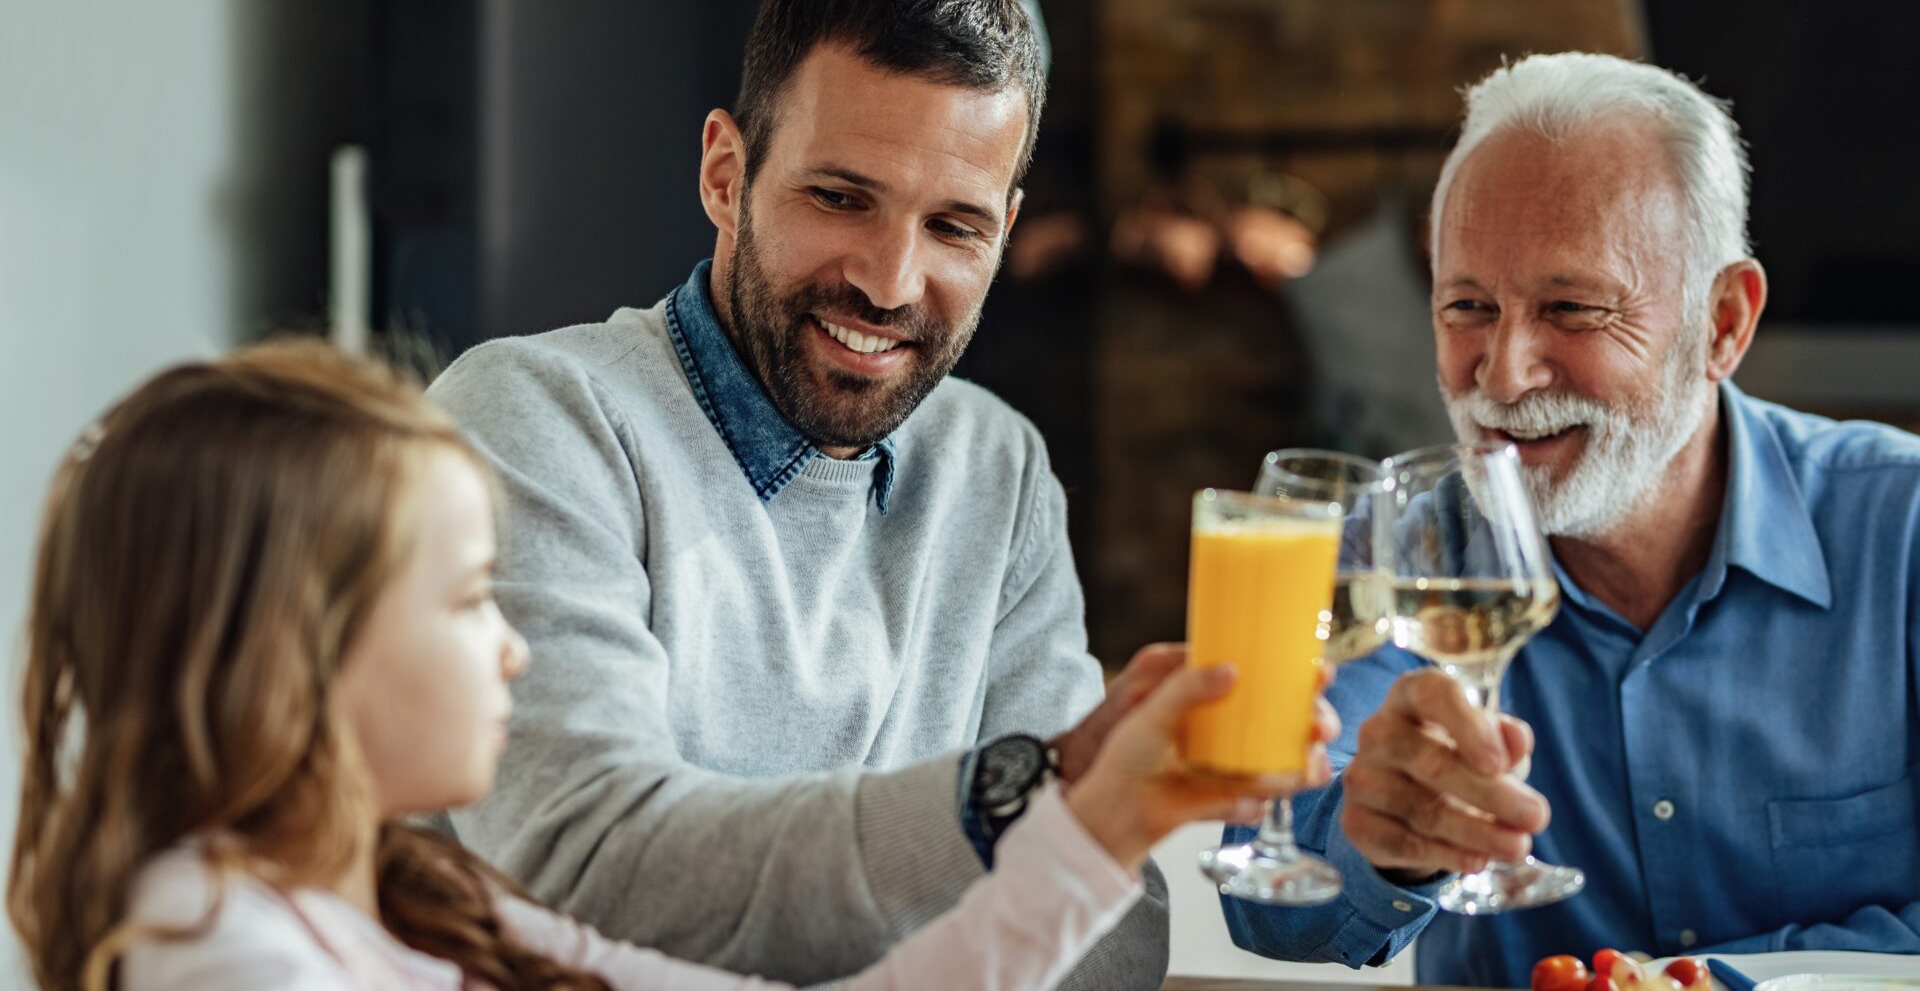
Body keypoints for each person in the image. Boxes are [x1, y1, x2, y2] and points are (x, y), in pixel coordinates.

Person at [6, 340, 1328, 991]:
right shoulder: (229, 956)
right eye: (469, 598)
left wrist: (1112, 825)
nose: (514, 639)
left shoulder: (424, 903)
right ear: (301, 644)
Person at [425, 0, 1174, 988]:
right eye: (840, 198)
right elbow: (583, 864)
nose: (891, 281)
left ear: (1004, 232)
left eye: (954, 227)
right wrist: (999, 812)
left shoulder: (995, 467)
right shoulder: (534, 422)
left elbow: (1115, 937)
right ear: (727, 174)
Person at [1224, 52, 1920, 986]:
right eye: (1468, 305)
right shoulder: (1396, 548)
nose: (1504, 375)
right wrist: (1388, 842)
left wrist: (1718, 982)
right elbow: (1265, 908)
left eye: (1573, 308)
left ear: (1723, 323)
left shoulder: (1901, 528)